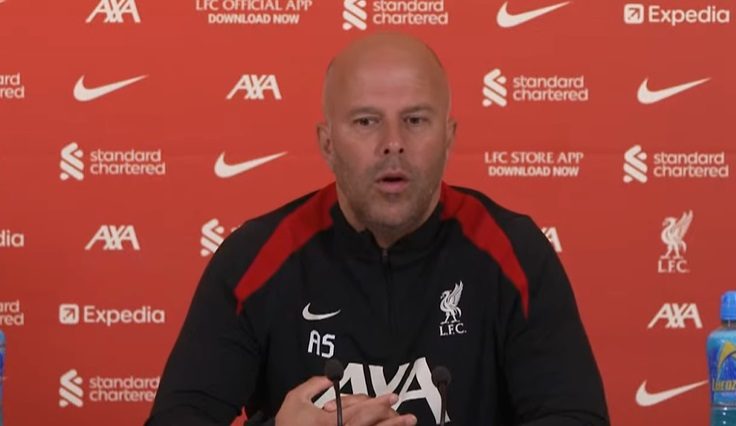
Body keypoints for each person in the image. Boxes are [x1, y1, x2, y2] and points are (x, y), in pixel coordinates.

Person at [146, 32, 609, 425]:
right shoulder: (254, 259)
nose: (393, 144)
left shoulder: (515, 254)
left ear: (449, 138)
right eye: (366, 121)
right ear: (327, 143)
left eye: (415, 120)